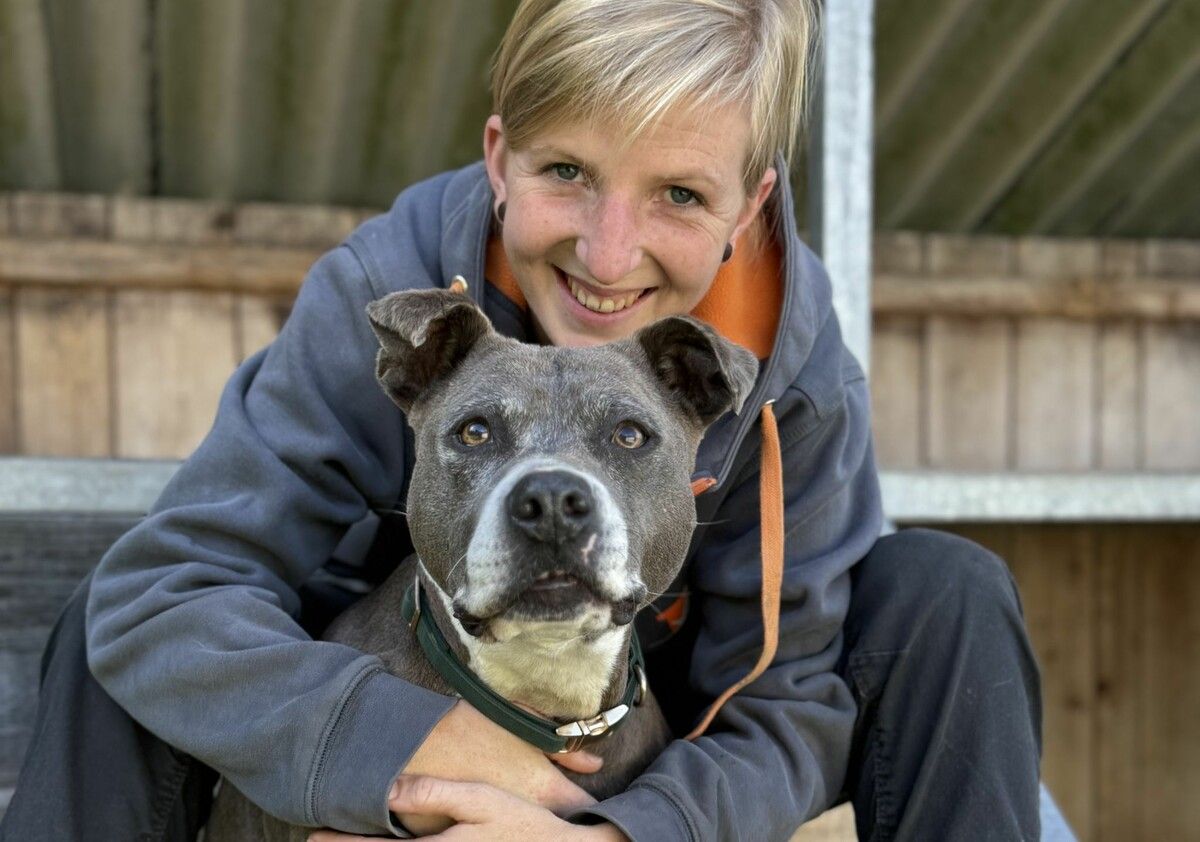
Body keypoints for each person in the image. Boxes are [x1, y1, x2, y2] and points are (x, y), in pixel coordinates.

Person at [0, 1, 1043, 840]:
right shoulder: (389, 284)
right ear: (499, 157)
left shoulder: (792, 369)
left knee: (947, 595)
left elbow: (794, 704)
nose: (607, 252)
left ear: (750, 204)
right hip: (395, 649)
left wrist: (616, 828)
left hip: (652, 701)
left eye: (679, 194)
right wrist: (408, 743)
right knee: (120, 617)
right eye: (567, 174)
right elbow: (162, 597)